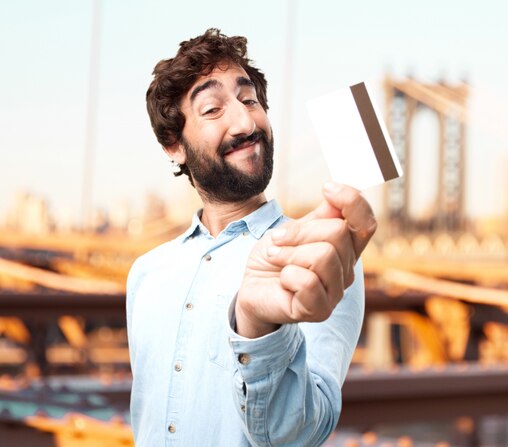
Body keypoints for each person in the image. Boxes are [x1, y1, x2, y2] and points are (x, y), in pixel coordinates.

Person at [126, 28, 377, 447]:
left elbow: (300, 434)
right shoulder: (146, 274)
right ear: (174, 145)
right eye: (212, 109)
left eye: (250, 101)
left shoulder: (314, 257)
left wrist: (260, 330)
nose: (245, 121)